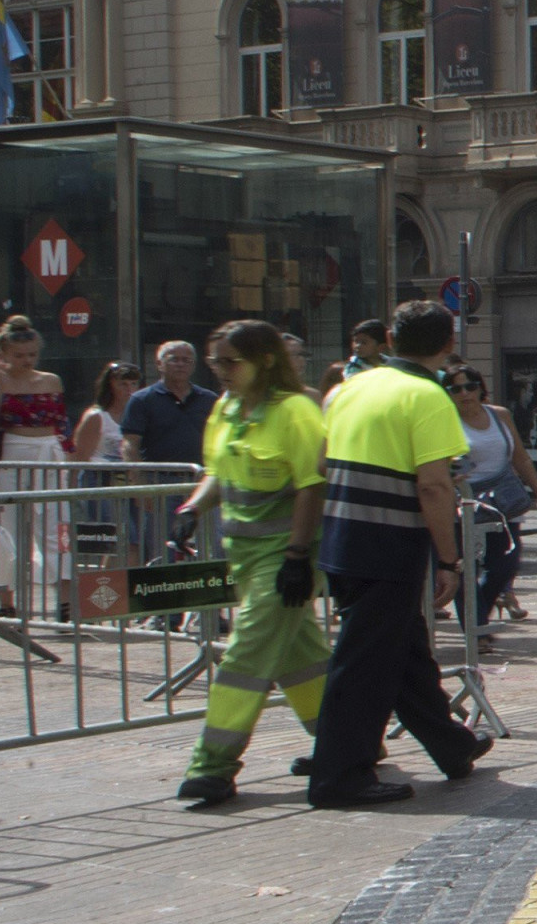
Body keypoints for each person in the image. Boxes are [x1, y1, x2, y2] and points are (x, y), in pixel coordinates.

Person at [305, 301, 490, 807]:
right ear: (449, 344)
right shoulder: (427, 396)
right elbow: (434, 486)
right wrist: (449, 560)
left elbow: (321, 464)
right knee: (364, 666)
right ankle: (339, 776)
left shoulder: (348, 388)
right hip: (389, 545)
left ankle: (452, 745)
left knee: (404, 652)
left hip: (343, 538)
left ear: (389, 337)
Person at [174, 322, 332, 809]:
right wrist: (192, 508)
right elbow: (218, 472)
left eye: (230, 362)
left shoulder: (295, 411)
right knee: (300, 657)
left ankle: (211, 765)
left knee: (245, 654)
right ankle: (348, 741)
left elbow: (312, 485)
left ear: (264, 360)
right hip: (244, 555)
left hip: (286, 557)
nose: (220, 371)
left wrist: (297, 556)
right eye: (215, 361)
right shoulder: (226, 408)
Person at [0, 317, 75, 616]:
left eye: (32, 354)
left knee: (56, 527)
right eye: (18, 355)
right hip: (10, 451)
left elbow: (61, 422)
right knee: (6, 528)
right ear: (3, 354)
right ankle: (6, 602)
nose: (26, 361)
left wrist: (69, 458)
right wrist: (0, 388)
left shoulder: (50, 380)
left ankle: (65, 601)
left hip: (49, 451)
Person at [451, 371, 532, 636]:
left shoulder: (500, 415)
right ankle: (477, 632)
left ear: (480, 388)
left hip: (503, 501)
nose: (464, 393)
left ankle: (478, 619)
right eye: (456, 389)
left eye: (470, 386)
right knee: (465, 570)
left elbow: (520, 457)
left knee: (505, 565)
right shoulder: (445, 420)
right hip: (463, 502)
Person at [122, 342, 215, 475]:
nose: (180, 364)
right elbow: (130, 444)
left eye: (186, 360)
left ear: (194, 365)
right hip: (158, 479)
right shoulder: (142, 400)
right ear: (159, 364)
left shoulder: (209, 399)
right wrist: (139, 480)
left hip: (201, 477)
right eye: (174, 359)